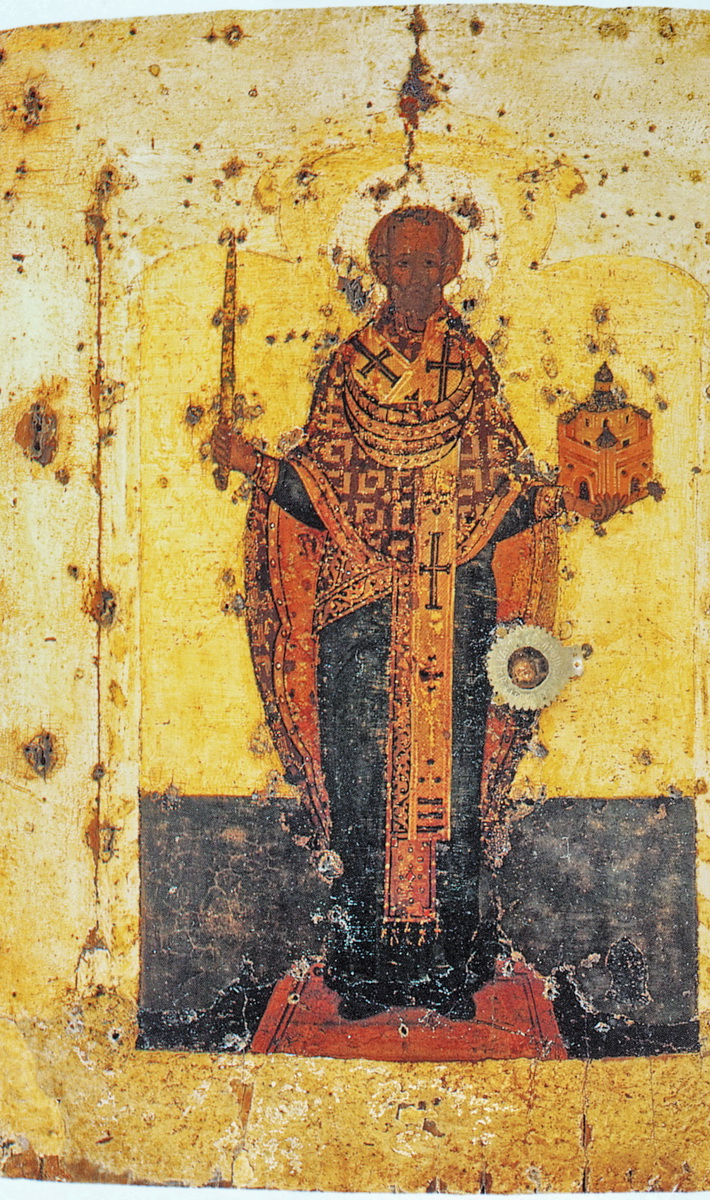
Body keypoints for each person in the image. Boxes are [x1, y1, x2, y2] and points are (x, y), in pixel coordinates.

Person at [213, 206, 562, 1020]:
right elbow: (320, 488)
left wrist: (556, 497)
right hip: (362, 610)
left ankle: (451, 967)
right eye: (402, 264)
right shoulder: (349, 369)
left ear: (450, 271)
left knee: (458, 789)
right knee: (362, 787)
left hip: (455, 603)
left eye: (429, 264)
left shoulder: (469, 366)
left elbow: (499, 491)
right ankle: (364, 965)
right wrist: (255, 464)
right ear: (380, 270)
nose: (416, 279)